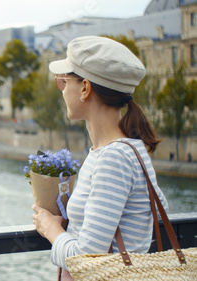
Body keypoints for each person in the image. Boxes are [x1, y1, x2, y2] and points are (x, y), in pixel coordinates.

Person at [31, 36, 168, 280]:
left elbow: (87, 259)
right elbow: (149, 214)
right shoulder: (130, 149)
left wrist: (50, 229)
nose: (61, 90)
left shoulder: (112, 158)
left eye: (64, 81)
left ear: (85, 88)